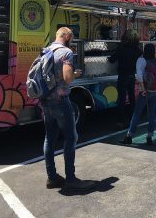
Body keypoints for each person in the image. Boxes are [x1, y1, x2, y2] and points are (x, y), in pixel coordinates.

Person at [40, 27, 94, 190]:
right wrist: (75, 73)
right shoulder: (66, 52)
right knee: (71, 138)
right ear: (67, 37)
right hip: (60, 100)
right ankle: (71, 179)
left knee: (50, 138)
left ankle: (52, 177)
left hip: (45, 100)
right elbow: (67, 77)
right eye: (71, 37)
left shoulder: (46, 50)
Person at [120, 43, 156, 146]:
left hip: (145, 91)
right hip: (155, 90)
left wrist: (142, 88)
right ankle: (149, 137)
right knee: (152, 114)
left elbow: (139, 75)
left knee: (137, 113)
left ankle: (129, 136)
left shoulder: (141, 60)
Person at [109, 29, 142, 127]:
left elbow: (112, 59)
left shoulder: (121, 48)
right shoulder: (138, 50)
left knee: (122, 98)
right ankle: (133, 118)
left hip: (123, 75)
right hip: (132, 75)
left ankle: (121, 121)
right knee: (132, 97)